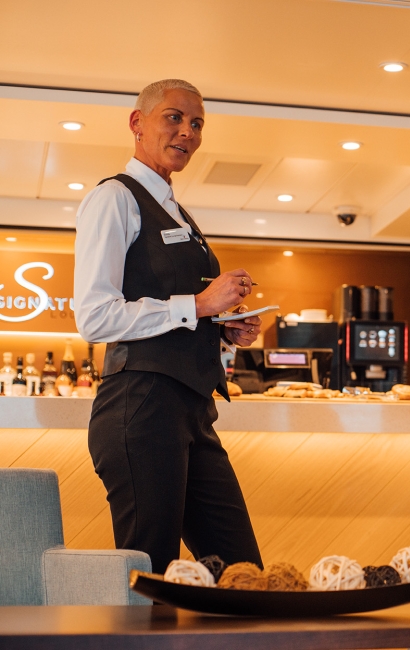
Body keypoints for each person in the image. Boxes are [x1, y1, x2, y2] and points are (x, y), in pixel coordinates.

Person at [75, 79, 264, 574]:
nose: (187, 131)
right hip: (139, 406)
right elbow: (94, 316)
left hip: (192, 412)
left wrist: (224, 330)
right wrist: (199, 305)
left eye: (197, 123)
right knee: (153, 577)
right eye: (174, 118)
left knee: (242, 571)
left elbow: (180, 311)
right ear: (138, 123)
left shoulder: (178, 212)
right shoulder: (115, 198)